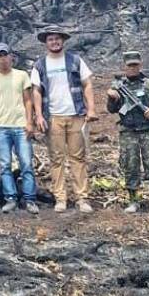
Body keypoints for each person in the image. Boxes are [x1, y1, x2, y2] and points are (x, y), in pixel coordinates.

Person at [31, 25, 96, 213]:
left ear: (63, 40)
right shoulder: (40, 65)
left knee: (78, 158)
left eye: (57, 38)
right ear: (46, 43)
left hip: (76, 114)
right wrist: (39, 115)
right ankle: (60, 198)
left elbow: (87, 84)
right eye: (50, 39)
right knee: (56, 159)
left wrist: (91, 108)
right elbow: (36, 91)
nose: (54, 42)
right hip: (53, 118)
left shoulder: (75, 60)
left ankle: (82, 198)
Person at [106, 50, 149, 214]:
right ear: (124, 66)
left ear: (140, 64)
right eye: (130, 65)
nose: (133, 68)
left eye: (135, 65)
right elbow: (112, 109)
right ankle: (133, 200)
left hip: (148, 130)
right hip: (128, 131)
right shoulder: (119, 86)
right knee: (130, 164)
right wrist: (112, 98)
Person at [0, 44, 39, 215]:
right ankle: (10, 198)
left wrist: (30, 122)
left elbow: (28, 100)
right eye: (0, 56)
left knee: (26, 163)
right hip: (1, 127)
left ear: (11, 57)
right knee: (5, 165)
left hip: (21, 125)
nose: (3, 58)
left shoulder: (21, 75)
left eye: (5, 55)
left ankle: (30, 200)